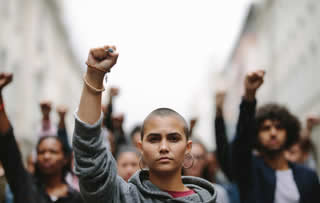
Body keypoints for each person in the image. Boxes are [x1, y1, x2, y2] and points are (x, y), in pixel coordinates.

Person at [72, 45, 217, 202]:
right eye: (154, 139)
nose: (163, 147)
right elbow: (90, 158)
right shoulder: (123, 197)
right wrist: (94, 75)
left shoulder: (207, 200)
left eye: (173, 138)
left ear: (187, 148)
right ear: (140, 148)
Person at [231, 70, 320, 203]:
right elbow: (241, 141)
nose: (273, 133)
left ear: (288, 131)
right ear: (256, 134)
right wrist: (249, 97)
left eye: (279, 127)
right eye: (266, 128)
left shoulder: (308, 176)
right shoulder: (250, 171)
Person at [0, 72, 83, 203]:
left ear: (65, 158)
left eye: (53, 152)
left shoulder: (77, 198)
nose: (46, 156)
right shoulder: (26, 186)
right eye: (41, 152)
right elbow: (8, 147)